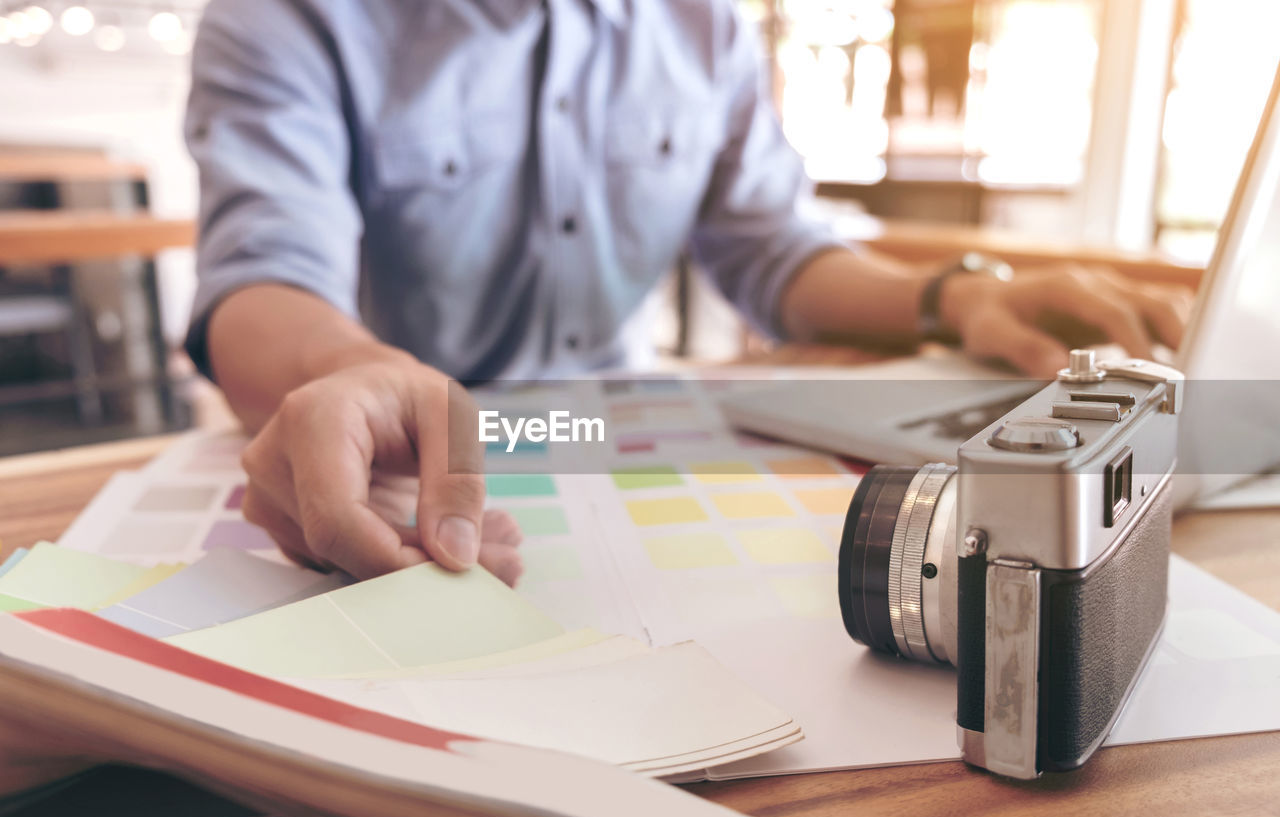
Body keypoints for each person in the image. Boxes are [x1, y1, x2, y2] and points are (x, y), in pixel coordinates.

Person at [185, 0, 1188, 583]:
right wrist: (358, 375)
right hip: (401, 461)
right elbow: (265, 274)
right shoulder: (283, 19)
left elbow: (774, 247)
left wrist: (956, 296)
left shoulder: (703, 22)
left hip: (619, 434)